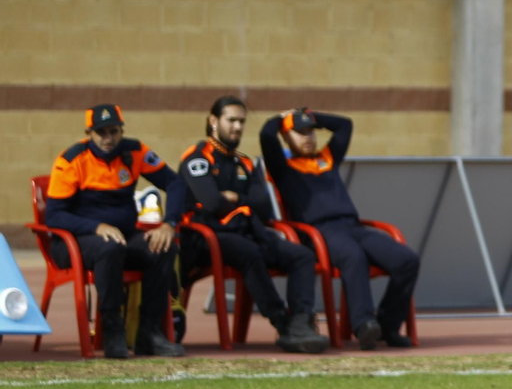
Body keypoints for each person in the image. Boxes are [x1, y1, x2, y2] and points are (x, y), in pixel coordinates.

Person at [175, 97, 328, 354]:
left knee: (302, 255)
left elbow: (264, 207)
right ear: (214, 121)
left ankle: (301, 322)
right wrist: (244, 203)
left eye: (242, 121)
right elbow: (212, 203)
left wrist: (235, 198)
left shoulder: (245, 163)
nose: (237, 127)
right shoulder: (197, 158)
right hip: (206, 237)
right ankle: (282, 323)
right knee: (249, 252)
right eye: (231, 120)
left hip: (247, 231)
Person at [258, 109, 420, 352]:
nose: (308, 137)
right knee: (353, 256)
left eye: (311, 131)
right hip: (320, 232)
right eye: (300, 133)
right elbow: (266, 136)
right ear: (286, 137)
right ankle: (364, 324)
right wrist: (281, 119)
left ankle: (388, 326)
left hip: (353, 227)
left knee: (407, 260)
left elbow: (345, 125)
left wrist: (312, 115)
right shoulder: (283, 166)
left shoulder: (328, 158)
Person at [44, 104, 184, 359]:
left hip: (123, 237)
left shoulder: (136, 151)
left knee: (163, 248)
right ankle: (112, 330)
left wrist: (169, 224)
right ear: (89, 133)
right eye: (101, 132)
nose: (108, 138)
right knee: (109, 248)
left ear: (122, 130)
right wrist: (96, 227)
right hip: (74, 242)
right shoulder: (71, 160)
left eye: (113, 131)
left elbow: (175, 183)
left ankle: (149, 333)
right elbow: (54, 216)